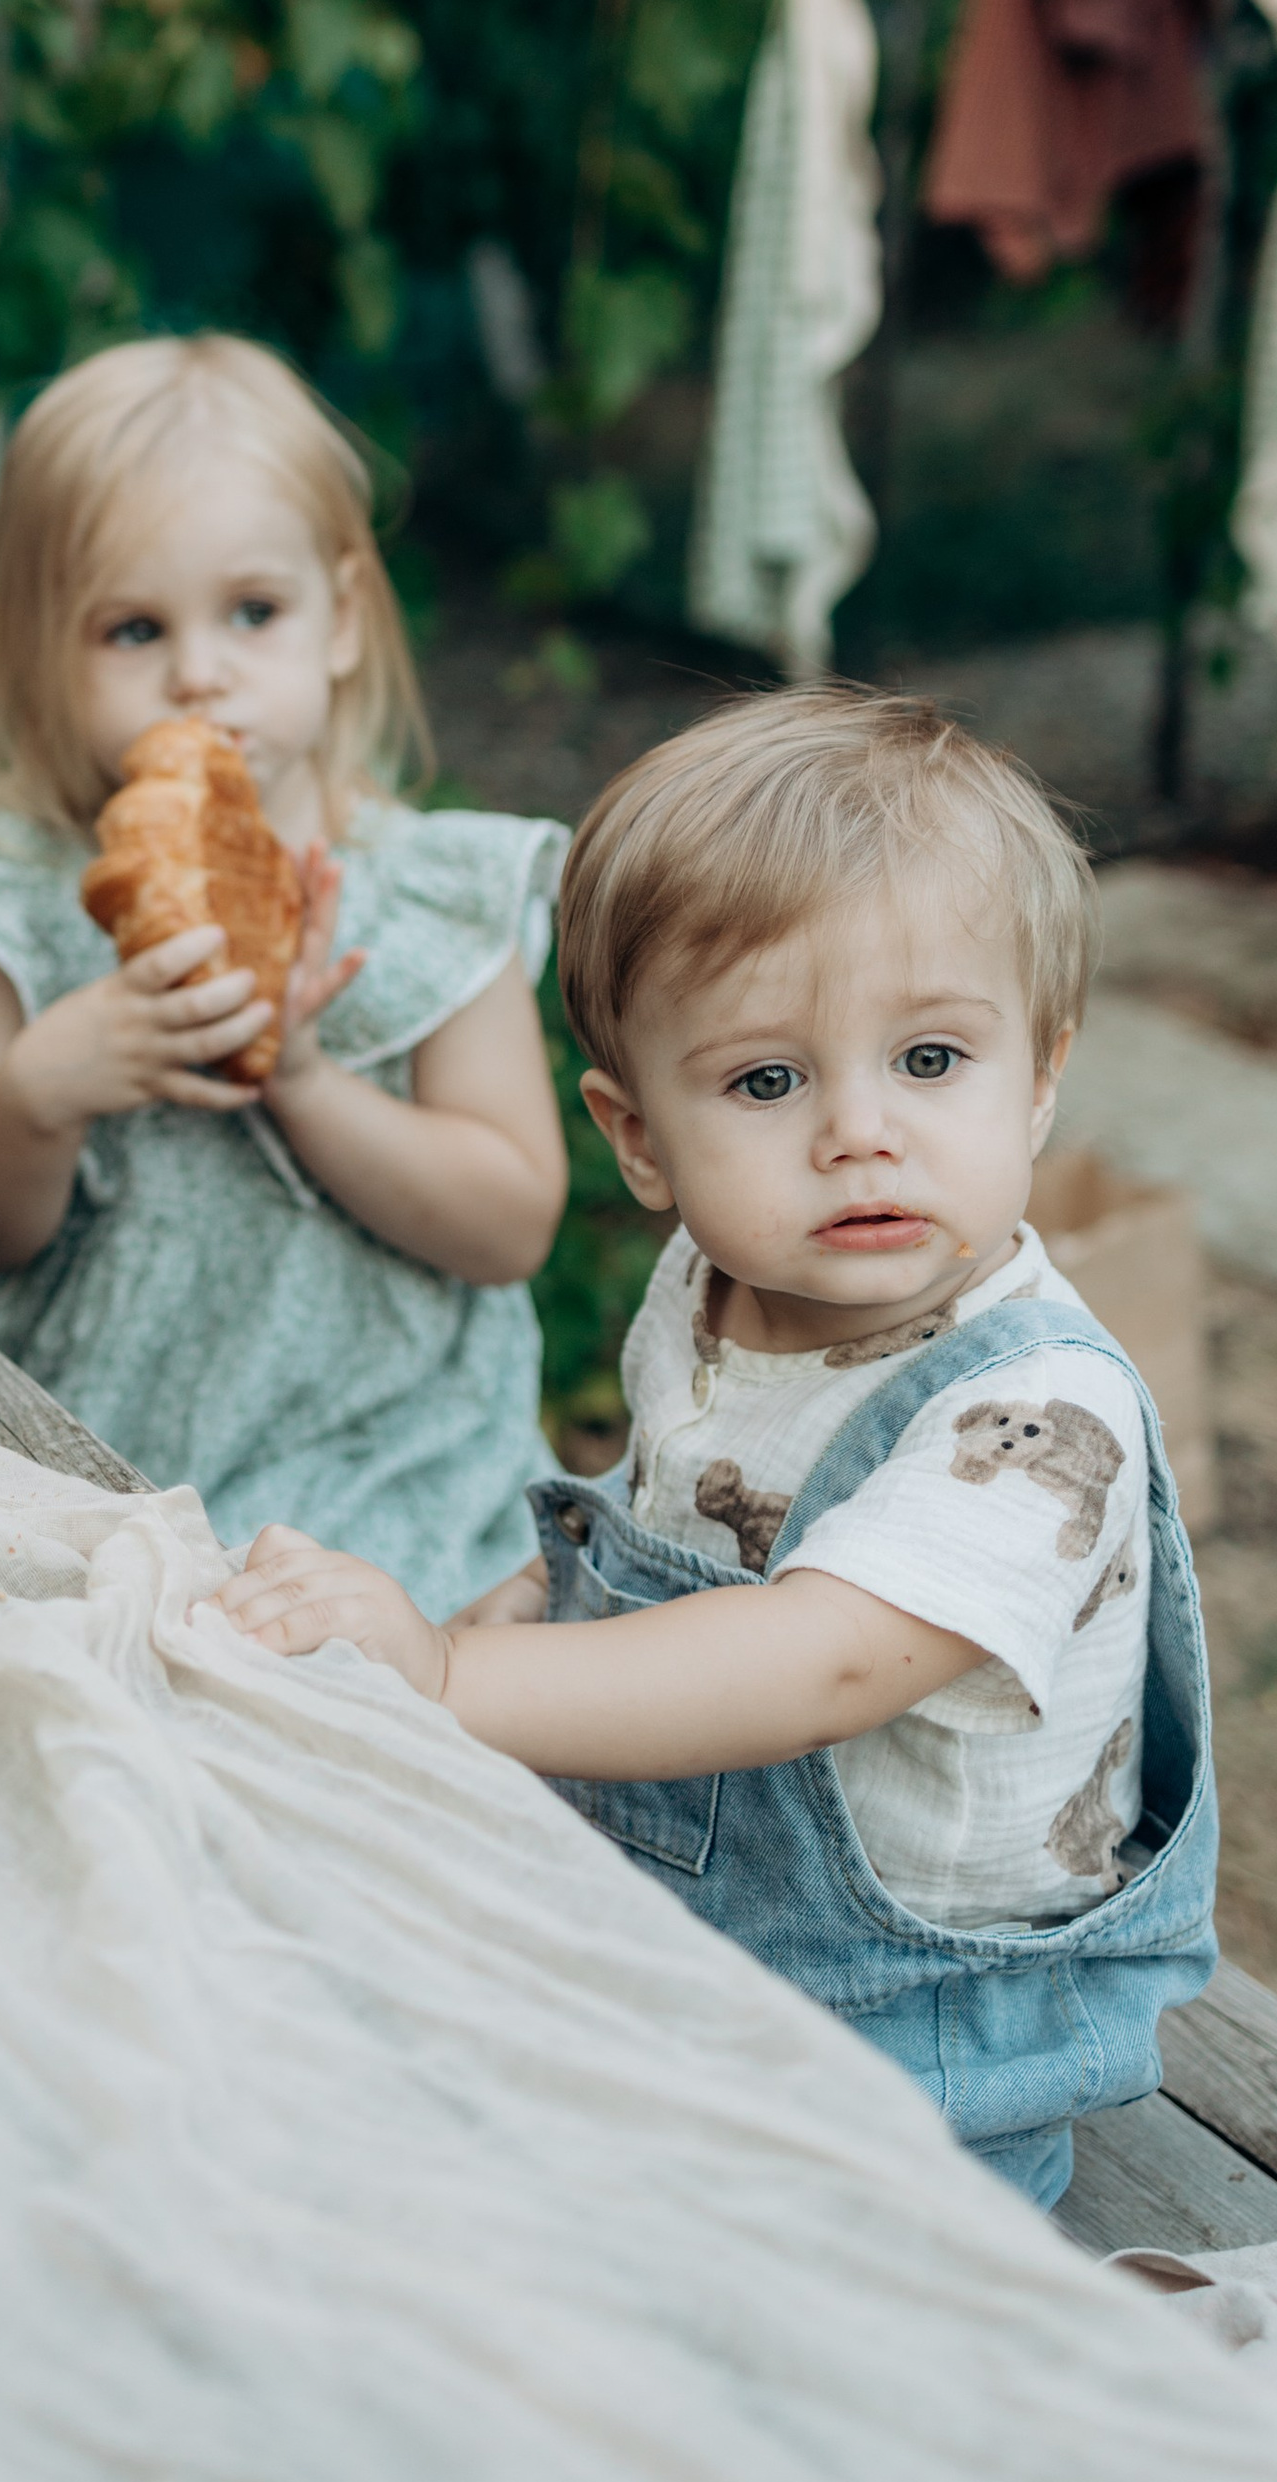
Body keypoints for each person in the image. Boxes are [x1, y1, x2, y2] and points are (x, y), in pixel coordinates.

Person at [223, 688, 1217, 2206]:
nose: (859, 1132)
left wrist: (452, 1673)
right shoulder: (718, 1284)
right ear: (638, 1139)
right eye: (768, 1081)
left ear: (1044, 1074)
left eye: (934, 1061)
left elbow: (814, 1659)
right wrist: (511, 1612)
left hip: (912, 2063)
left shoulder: (1029, 1420)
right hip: (683, 1965)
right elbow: (670, 1510)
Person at [0, 334, 569, 1616]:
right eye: (134, 628)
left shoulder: (436, 901)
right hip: (91, 1455)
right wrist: (38, 1095)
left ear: (343, 618)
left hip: (383, 1463)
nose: (200, 671)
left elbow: (508, 1224)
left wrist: (304, 1077)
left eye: (252, 612)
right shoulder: (30, 904)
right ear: (49, 651)